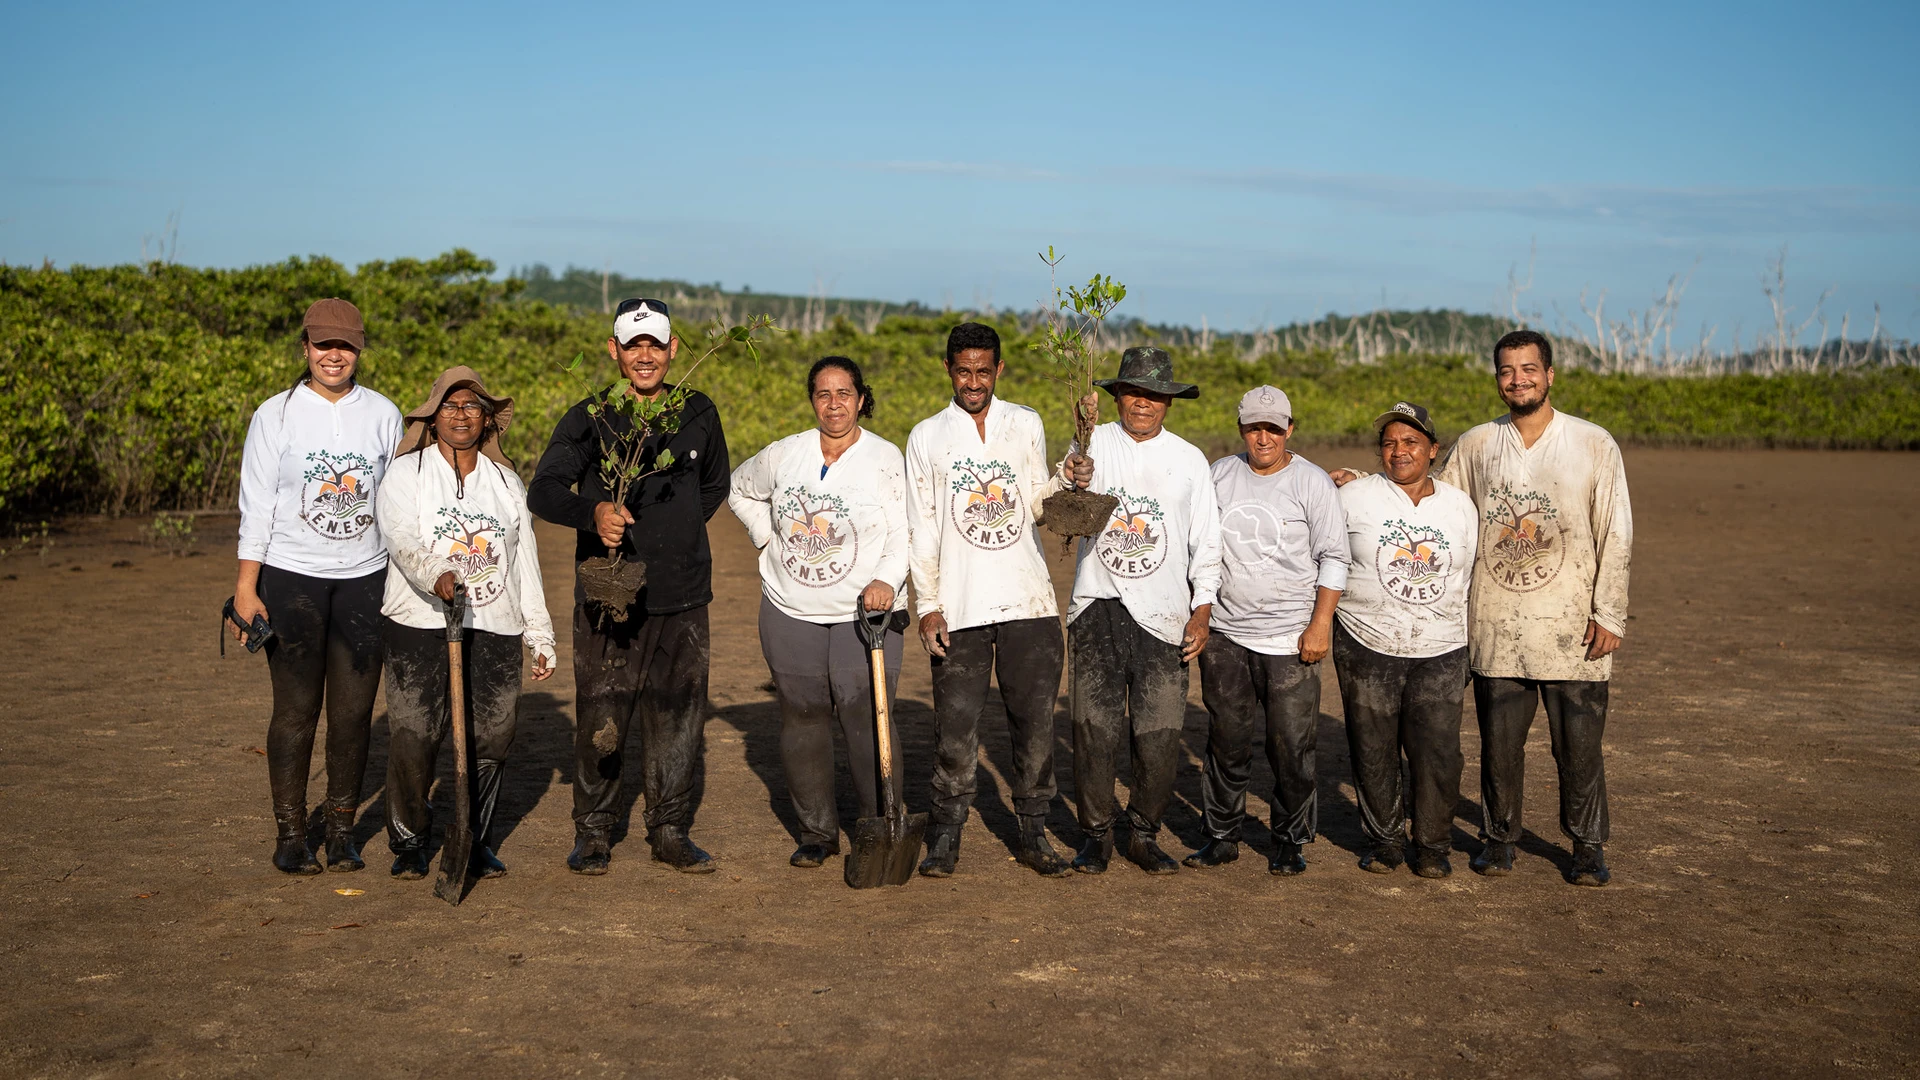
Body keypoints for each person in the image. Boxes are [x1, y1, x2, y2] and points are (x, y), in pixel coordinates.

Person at [1337, 330, 1630, 886]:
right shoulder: (1477, 444)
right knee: (1500, 747)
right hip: (1496, 625)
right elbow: (1424, 495)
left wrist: (1609, 612)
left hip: (1573, 623)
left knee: (1579, 747)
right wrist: (1361, 478)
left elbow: (1615, 529)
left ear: (1549, 375)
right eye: (1507, 371)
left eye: (1529, 369)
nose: (1518, 380)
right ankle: (1499, 840)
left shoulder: (1593, 443)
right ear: (1497, 378)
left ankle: (1588, 845)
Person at [528, 298, 731, 875]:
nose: (646, 356)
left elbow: (714, 485)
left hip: (684, 595)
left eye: (656, 345)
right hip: (609, 593)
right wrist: (593, 514)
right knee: (602, 716)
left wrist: (678, 533)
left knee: (679, 717)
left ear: (673, 350)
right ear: (614, 350)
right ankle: (593, 832)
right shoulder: (590, 415)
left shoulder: (698, 410)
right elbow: (543, 490)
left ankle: (669, 830)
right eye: (633, 345)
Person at [231, 298, 403, 874]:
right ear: (305, 347)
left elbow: (396, 503)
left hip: (366, 580)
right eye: (324, 344)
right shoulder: (274, 415)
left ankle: (341, 833)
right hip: (290, 579)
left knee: (353, 714)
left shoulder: (383, 413)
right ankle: (290, 835)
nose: (335, 355)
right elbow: (256, 506)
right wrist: (246, 589)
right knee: (296, 711)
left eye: (345, 345)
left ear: (360, 350)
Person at [728, 357, 911, 868]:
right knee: (803, 716)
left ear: (860, 399)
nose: (834, 404)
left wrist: (886, 580)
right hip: (790, 608)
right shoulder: (785, 453)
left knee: (866, 717)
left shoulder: (885, 457)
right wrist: (766, 536)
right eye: (823, 394)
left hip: (867, 614)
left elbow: (904, 530)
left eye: (844, 393)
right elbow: (739, 489)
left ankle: (880, 826)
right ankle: (817, 833)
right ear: (813, 400)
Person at [374, 367, 556, 880]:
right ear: (432, 418)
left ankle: (474, 840)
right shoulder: (406, 474)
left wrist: (539, 634)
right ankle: (410, 841)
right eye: (450, 406)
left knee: (493, 736)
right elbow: (401, 536)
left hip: (495, 625)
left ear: (487, 420)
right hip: (417, 622)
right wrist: (437, 573)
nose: (461, 415)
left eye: (472, 406)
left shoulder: (506, 483)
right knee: (415, 732)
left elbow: (525, 562)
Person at [905, 322, 1073, 877]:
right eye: (963, 371)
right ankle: (945, 836)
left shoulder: (1025, 423)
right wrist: (928, 605)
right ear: (947, 369)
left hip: (1029, 603)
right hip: (960, 609)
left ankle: (1033, 834)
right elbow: (922, 528)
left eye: (983, 370)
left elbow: (1037, 506)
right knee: (954, 732)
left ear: (999, 369)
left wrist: (1067, 477)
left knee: (1035, 728)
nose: (973, 382)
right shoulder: (926, 437)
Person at [1060, 347, 1221, 875]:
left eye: (1153, 395)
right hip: (1097, 607)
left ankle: (1143, 834)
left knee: (1159, 736)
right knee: (1093, 730)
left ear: (1168, 402)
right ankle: (1096, 836)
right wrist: (1076, 457)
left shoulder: (1190, 459)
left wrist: (1201, 610)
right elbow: (1067, 484)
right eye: (1133, 393)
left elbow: (1207, 542)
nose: (1143, 403)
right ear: (1117, 398)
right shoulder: (1094, 443)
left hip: (1166, 616)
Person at [1187, 386, 1347, 876]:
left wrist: (1320, 625)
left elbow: (1334, 557)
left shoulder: (1312, 482)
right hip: (1226, 636)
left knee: (1291, 747)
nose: (1264, 438)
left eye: (1274, 429)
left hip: (1290, 637)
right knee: (1226, 741)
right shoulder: (1219, 475)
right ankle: (1221, 836)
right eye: (1255, 428)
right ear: (1241, 429)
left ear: (1289, 430)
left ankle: (1290, 840)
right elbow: (1199, 543)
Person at [1332, 402, 1478, 878]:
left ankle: (1432, 844)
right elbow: (1326, 558)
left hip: (1441, 648)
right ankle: (1385, 841)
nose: (1399, 451)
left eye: (1411, 442)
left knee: (1438, 752)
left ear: (1433, 450)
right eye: (1390, 443)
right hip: (1365, 641)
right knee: (1373, 747)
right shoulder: (1352, 497)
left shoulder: (1459, 506)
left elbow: (1467, 578)